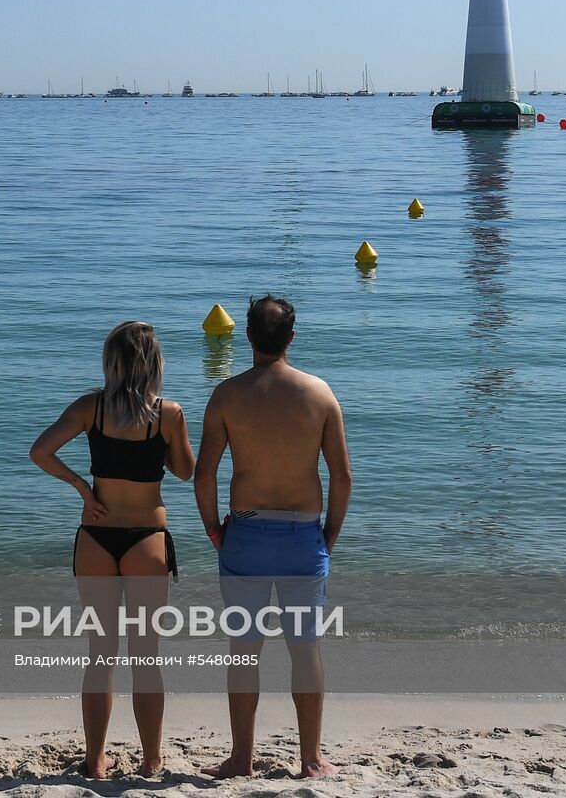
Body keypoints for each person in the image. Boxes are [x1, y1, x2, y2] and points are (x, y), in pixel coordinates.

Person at [194, 295, 352, 779]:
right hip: (303, 534)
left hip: (244, 533)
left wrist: (214, 529)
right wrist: (330, 533)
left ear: (246, 337)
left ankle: (242, 757)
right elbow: (342, 476)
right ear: (292, 337)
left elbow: (204, 476)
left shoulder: (227, 395)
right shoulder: (319, 393)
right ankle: (311, 759)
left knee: (244, 648)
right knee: (305, 648)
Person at [30, 321, 195, 779]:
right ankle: (152, 761)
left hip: (95, 538)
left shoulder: (91, 408)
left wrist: (84, 488)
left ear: (111, 363)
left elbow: (40, 452)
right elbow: (184, 471)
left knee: (100, 654)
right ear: (155, 365)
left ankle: (96, 760)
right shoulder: (168, 413)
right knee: (147, 656)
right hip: (147, 540)